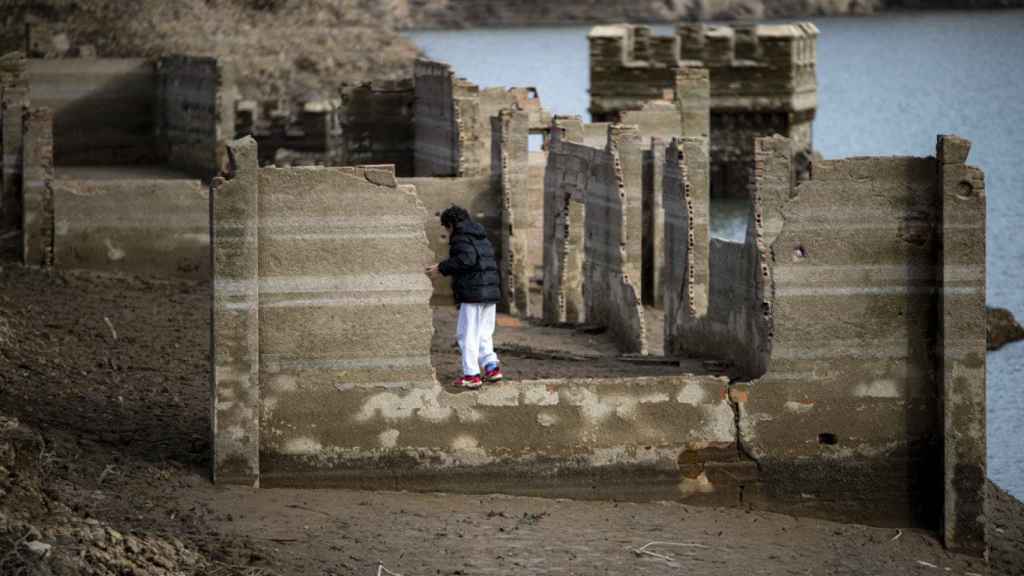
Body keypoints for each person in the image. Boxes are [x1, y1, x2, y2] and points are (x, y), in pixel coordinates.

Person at [425, 205, 503, 389]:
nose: (447, 232)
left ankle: (471, 375)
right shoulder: (480, 237)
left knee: (466, 334)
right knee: (484, 334)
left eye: (446, 228)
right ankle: (491, 367)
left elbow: (467, 259)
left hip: (473, 293)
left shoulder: (461, 237)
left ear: (451, 224)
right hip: (490, 293)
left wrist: (441, 268)